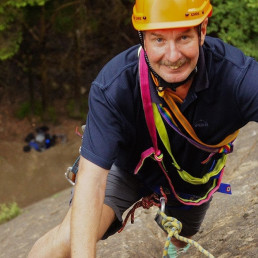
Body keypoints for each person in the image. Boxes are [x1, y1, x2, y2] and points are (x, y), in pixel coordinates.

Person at [28, 0, 258, 257]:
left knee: (183, 236)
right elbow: (92, 181)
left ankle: (175, 244)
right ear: (142, 38)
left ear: (203, 30)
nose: (172, 56)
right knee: (69, 238)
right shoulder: (114, 86)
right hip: (128, 166)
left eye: (183, 38)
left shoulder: (236, 78)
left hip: (191, 178)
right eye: (158, 40)